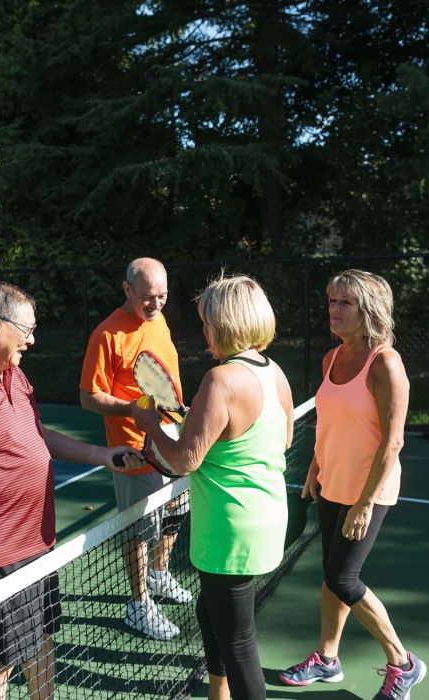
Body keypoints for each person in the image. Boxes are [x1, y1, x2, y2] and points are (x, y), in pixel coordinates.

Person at [0, 281, 141, 700]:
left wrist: (102, 454)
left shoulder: (15, 374)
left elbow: (38, 435)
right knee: (0, 661)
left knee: (40, 641)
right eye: (26, 329)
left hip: (39, 542)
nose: (32, 340)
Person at [130, 274, 294, 700]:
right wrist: (200, 420)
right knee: (210, 611)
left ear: (224, 324)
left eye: (206, 322)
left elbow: (184, 460)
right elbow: (283, 438)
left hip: (228, 531)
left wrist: (149, 423)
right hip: (267, 518)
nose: (204, 330)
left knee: (239, 644)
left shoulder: (221, 380)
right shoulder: (275, 372)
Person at [278, 270, 427, 700]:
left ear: (369, 310)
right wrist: (314, 467)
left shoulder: (386, 364)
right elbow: (329, 422)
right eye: (331, 300)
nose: (334, 309)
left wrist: (365, 503)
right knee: (331, 572)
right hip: (332, 481)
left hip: (369, 490)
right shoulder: (331, 358)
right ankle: (327, 658)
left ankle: (404, 663)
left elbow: (393, 441)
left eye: (345, 302)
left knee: (343, 578)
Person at [79, 257, 193, 641]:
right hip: (133, 449)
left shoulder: (158, 319)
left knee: (176, 510)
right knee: (140, 528)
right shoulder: (106, 335)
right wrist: (132, 410)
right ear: (127, 289)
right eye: (147, 297)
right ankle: (139, 603)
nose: (155, 304)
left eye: (162, 296)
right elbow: (89, 397)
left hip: (171, 438)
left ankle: (159, 574)